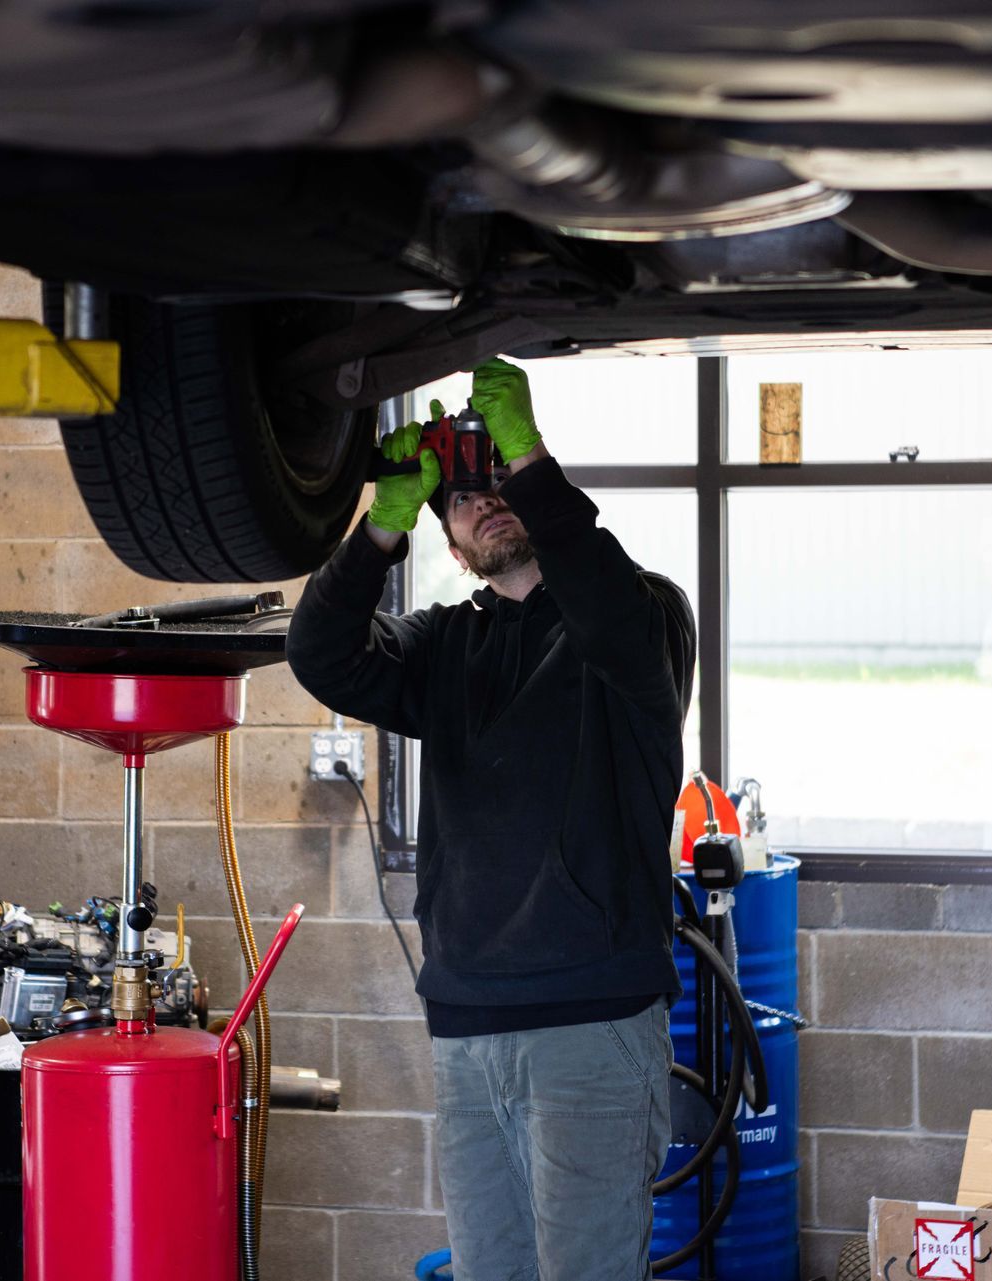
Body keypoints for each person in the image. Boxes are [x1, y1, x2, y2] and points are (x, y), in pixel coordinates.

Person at [287, 358, 696, 1281]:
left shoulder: (645, 614)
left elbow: (609, 614)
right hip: (469, 1028)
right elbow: (318, 654)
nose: (486, 500)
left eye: (498, 480)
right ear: (458, 547)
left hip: (591, 1029)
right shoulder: (442, 645)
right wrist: (384, 524)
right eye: (462, 498)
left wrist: (532, 461)